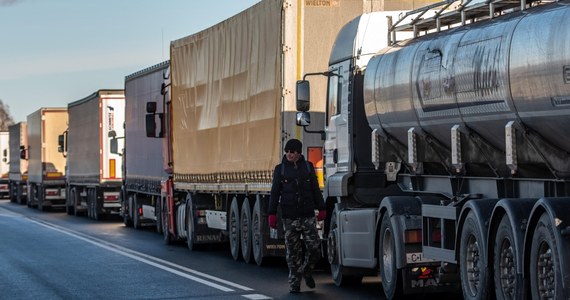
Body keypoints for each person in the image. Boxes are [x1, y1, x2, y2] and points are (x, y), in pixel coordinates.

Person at [268, 138, 326, 293]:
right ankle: (295, 283)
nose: (289, 154)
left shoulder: (308, 167)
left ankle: (307, 270)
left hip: (307, 216)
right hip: (289, 217)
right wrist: (272, 213)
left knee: (314, 249)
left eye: (292, 152)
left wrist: (322, 208)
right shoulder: (280, 170)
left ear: (299, 153)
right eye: (287, 151)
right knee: (293, 254)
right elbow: (274, 193)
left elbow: (315, 189)